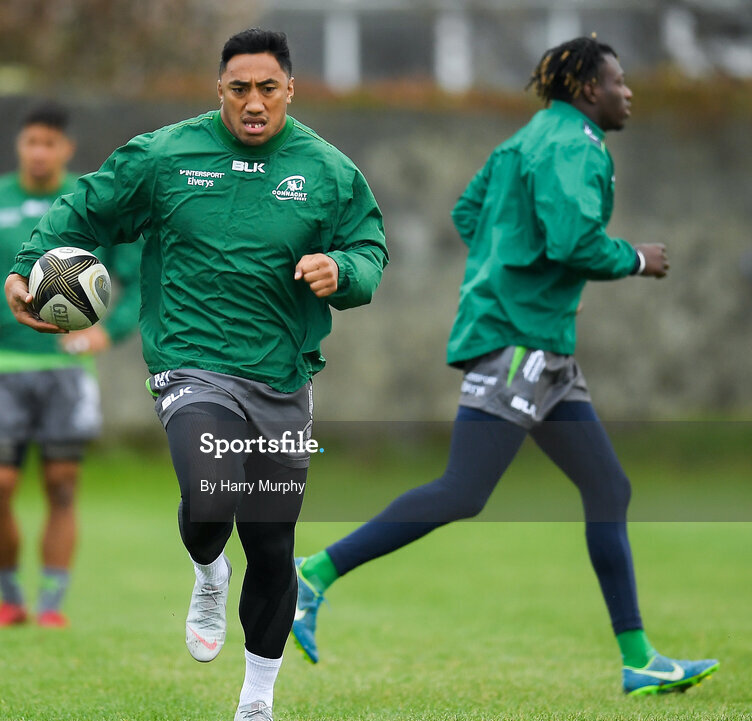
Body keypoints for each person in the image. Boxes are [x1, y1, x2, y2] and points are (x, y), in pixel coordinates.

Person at [291, 36, 720, 697]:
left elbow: (470, 214)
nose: (627, 92)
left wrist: (508, 265)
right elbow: (573, 242)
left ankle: (639, 659)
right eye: (618, 81)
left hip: (540, 343)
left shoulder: (522, 141)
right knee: (463, 490)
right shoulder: (574, 143)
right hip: (522, 343)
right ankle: (313, 573)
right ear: (586, 91)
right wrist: (636, 258)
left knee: (609, 488)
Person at [5, 29, 387, 721]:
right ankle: (209, 569)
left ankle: (257, 700)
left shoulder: (328, 171)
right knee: (211, 498)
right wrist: (27, 261)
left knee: (272, 544)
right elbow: (86, 206)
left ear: (290, 91)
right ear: (219, 90)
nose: (252, 101)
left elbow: (368, 246)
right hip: (192, 363)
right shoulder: (165, 155)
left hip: (282, 374)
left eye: (267, 88)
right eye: (238, 88)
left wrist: (345, 272)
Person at [0, 102, 141, 629]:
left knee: (62, 484)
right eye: (31, 142)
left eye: (50, 143)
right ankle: (8, 597)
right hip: (2, 367)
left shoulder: (92, 205)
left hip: (65, 371)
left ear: (66, 149)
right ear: (20, 146)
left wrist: (106, 331)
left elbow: (139, 276)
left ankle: (51, 605)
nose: (39, 152)